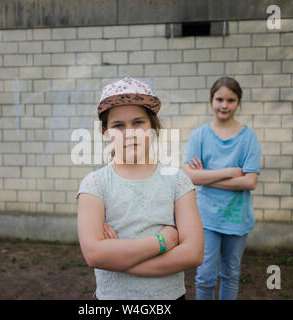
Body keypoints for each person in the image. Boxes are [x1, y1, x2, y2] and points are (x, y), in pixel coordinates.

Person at [76, 76, 204, 300]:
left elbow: (193, 253)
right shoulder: (95, 184)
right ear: (105, 131)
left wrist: (119, 259)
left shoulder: (178, 181)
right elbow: (94, 254)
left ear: (153, 126)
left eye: (138, 122)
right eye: (118, 125)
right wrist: (161, 242)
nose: (130, 132)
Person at [183, 76, 261, 300]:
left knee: (230, 274)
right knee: (205, 276)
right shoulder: (199, 135)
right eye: (219, 99)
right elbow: (189, 176)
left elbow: (249, 182)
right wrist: (230, 171)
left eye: (231, 100)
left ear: (238, 102)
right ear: (211, 101)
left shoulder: (249, 138)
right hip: (206, 217)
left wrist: (204, 176)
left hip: (237, 217)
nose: (224, 105)